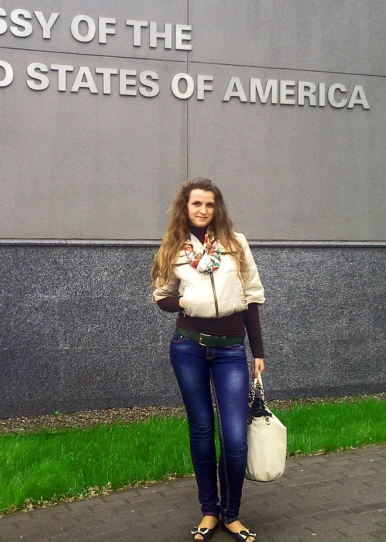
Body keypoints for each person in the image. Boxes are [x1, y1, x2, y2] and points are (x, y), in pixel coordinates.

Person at [150, 178, 265, 542]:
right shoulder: (173, 247)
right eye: (196, 204)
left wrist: (258, 351)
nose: (203, 210)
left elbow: (252, 297)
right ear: (185, 208)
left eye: (209, 204)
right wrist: (183, 301)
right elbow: (161, 296)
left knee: (235, 438)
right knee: (201, 430)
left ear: (218, 208)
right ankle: (210, 511)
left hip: (230, 350)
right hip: (188, 349)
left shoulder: (236, 243)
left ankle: (232, 514)